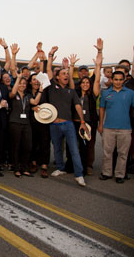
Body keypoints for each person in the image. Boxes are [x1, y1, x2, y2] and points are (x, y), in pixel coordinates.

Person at [46, 49, 89, 186]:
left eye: (67, 74)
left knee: (73, 150)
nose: (66, 75)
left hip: (68, 125)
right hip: (54, 125)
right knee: (57, 148)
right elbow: (48, 69)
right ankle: (60, 168)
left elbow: (77, 106)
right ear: (57, 77)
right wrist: (50, 55)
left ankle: (79, 174)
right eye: (63, 74)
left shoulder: (71, 91)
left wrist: (82, 122)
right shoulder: (52, 87)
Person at [69, 43, 102, 176]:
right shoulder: (76, 92)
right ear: (80, 83)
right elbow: (70, 80)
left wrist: (98, 64)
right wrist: (71, 66)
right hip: (77, 121)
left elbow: (98, 80)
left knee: (89, 144)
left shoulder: (93, 94)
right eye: (83, 82)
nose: (85, 84)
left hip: (90, 122)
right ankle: (74, 165)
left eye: (88, 82)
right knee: (76, 145)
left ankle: (88, 166)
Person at [98, 70, 134, 183]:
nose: (118, 82)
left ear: (124, 80)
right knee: (107, 152)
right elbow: (102, 108)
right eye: (116, 79)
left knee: (123, 153)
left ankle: (120, 174)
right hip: (108, 127)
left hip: (125, 128)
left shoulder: (130, 93)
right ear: (112, 80)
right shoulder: (105, 93)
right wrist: (100, 124)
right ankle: (106, 172)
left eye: (120, 80)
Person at [8, 71, 43, 178]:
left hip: (26, 124)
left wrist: (40, 90)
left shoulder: (28, 96)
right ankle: (16, 168)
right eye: (20, 83)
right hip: (15, 123)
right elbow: (12, 93)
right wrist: (18, 79)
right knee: (16, 146)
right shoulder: (13, 94)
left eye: (24, 83)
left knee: (27, 146)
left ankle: (25, 168)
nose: (22, 85)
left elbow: (35, 102)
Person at [28, 72, 51, 178]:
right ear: (30, 82)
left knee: (44, 143)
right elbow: (29, 104)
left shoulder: (45, 91)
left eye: (37, 79)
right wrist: (32, 108)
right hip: (31, 122)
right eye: (33, 79)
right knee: (33, 142)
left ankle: (44, 165)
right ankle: (33, 163)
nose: (36, 81)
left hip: (44, 121)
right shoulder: (27, 92)